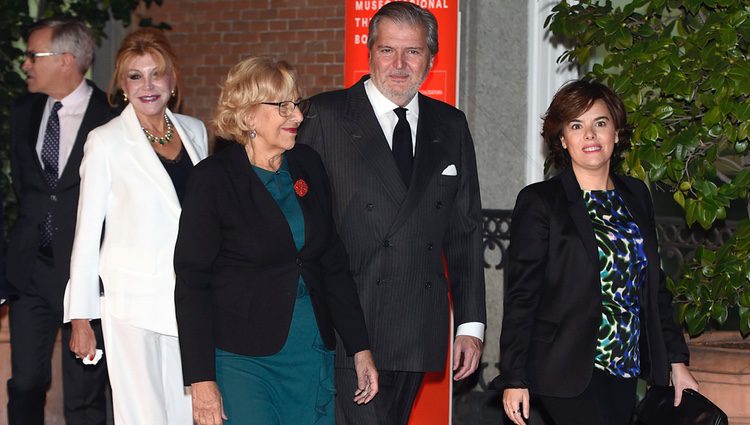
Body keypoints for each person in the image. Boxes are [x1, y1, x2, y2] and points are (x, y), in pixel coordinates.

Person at [296, 2, 486, 424]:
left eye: (413, 52)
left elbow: (464, 232)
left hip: (415, 325)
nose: (399, 64)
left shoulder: (450, 125)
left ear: (431, 59)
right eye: (387, 50)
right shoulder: (325, 116)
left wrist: (470, 326)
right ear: (370, 52)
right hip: (347, 323)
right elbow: (299, 223)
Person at [174, 56, 379, 425]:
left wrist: (360, 347)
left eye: (296, 104)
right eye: (282, 106)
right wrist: (201, 380)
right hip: (242, 358)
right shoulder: (213, 180)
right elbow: (192, 283)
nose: (297, 116)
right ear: (249, 116)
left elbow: (331, 262)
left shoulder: (307, 164)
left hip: (309, 348)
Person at [494, 80, 699, 425]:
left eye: (600, 123)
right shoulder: (541, 202)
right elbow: (522, 294)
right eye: (576, 125)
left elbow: (653, 285)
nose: (589, 135)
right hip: (564, 368)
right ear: (562, 139)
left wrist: (675, 362)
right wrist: (515, 377)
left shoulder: (635, 195)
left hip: (624, 366)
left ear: (616, 133)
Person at [63, 28, 208, 424]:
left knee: (186, 412)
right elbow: (87, 232)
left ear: (173, 80)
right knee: (143, 416)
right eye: (135, 76)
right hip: (130, 303)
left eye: (156, 74)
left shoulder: (194, 131)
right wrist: (81, 316)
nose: (147, 85)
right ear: (122, 85)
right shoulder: (105, 141)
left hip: (187, 300)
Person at [6, 17, 114, 425]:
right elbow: (24, 187)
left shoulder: (111, 115)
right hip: (30, 270)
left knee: (84, 393)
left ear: (67, 60)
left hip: (86, 276)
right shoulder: (23, 110)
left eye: (34, 55)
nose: (26, 64)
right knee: (26, 384)